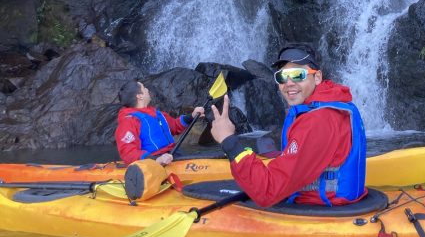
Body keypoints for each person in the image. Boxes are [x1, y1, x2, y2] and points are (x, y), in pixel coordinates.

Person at [211, 43, 367, 207]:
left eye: (298, 74)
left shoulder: (317, 121)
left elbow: (267, 191)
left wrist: (228, 140)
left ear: (317, 77)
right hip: (333, 200)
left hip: (320, 208)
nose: (289, 83)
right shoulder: (330, 102)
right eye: (282, 77)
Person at [115, 80, 204, 166]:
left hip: (173, 155)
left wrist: (192, 116)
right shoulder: (128, 121)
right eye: (144, 88)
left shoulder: (156, 113)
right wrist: (156, 160)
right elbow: (128, 153)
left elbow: (175, 126)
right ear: (139, 96)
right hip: (155, 162)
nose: (147, 90)